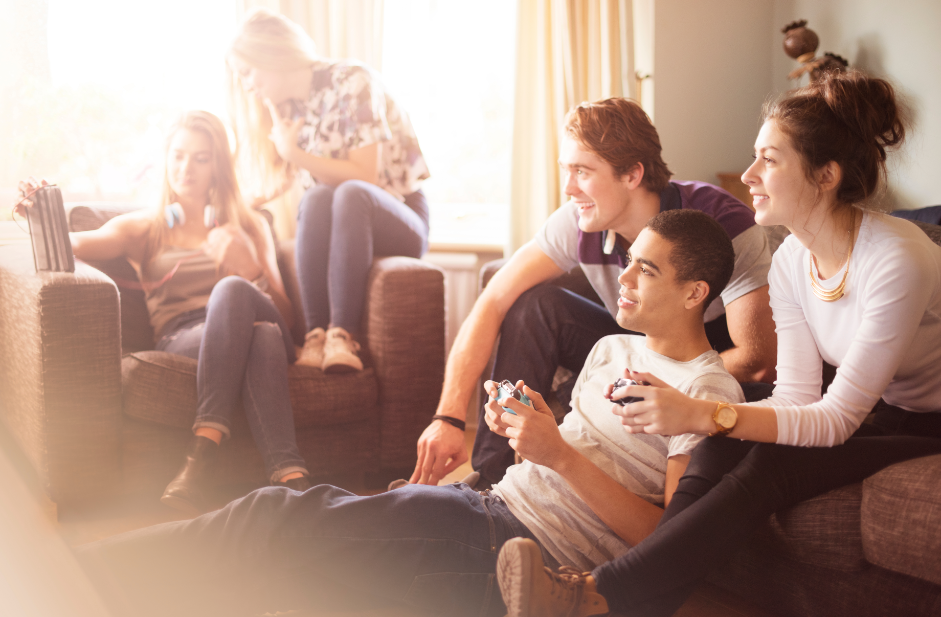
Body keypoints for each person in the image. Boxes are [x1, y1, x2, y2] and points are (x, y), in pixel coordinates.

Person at [75, 210, 743, 617]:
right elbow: (553, 465)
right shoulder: (610, 349)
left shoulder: (707, 393)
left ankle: (84, 578)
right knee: (286, 564)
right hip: (491, 514)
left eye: (645, 272)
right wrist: (524, 429)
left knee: (276, 520)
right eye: (627, 263)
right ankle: (109, 591)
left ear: (692, 293)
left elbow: (665, 542)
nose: (621, 278)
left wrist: (557, 453)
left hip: (521, 552)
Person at [495, 71, 941, 617]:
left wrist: (707, 411)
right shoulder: (792, 261)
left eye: (769, 160)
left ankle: (602, 596)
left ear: (825, 175)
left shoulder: (898, 257)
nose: (749, 174)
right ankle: (629, 595)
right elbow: (797, 396)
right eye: (754, 157)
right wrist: (706, 421)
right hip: (887, 412)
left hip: (931, 422)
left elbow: (837, 419)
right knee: (717, 443)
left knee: (765, 466)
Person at [412, 97, 778, 490]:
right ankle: (491, 478)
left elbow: (757, 361)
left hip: (704, 362)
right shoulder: (578, 221)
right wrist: (448, 418)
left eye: (582, 172)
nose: (568, 188)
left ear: (633, 174)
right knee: (535, 305)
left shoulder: (722, 223)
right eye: (566, 170)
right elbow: (493, 301)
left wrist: (658, 390)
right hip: (632, 348)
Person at [18, 111, 311, 514]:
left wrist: (253, 270)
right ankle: (293, 479)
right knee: (260, 337)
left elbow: (288, 322)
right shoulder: (146, 227)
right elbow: (70, 245)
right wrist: (37, 215)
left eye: (200, 158)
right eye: (178, 155)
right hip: (184, 338)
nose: (185, 168)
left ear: (218, 167)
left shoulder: (249, 225)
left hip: (257, 319)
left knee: (246, 307)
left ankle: (202, 452)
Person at [226, 8, 430, 374]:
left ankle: (342, 334)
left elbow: (364, 177)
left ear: (271, 55)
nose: (246, 85)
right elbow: (284, 182)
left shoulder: (352, 81)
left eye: (247, 72)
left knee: (349, 192)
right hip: (347, 228)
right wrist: (232, 208)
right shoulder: (289, 110)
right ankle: (316, 334)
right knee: (317, 196)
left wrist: (295, 153)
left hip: (399, 216)